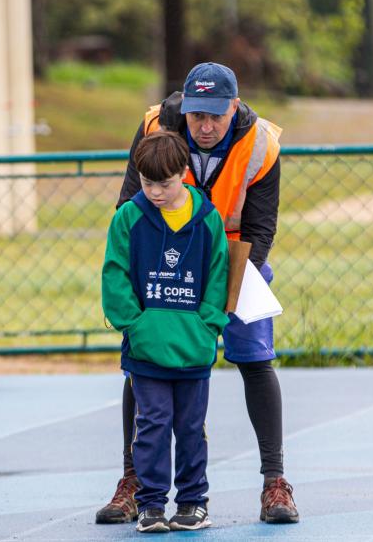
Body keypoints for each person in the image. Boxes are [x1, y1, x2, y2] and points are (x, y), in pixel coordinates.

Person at [96, 62, 300, 525]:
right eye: (196, 116)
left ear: (234, 106)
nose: (205, 127)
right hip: (162, 262)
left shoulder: (262, 144)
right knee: (144, 365)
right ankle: (133, 481)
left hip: (229, 261)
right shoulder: (154, 125)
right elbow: (129, 203)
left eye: (215, 116)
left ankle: (275, 481)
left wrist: (223, 297)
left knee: (254, 358)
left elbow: (262, 225)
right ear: (184, 109)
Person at [102, 130, 230, 533]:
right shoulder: (128, 217)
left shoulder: (207, 218)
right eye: (146, 182)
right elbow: (115, 273)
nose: (155, 192)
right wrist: (135, 324)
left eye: (165, 183)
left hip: (193, 348)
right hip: (146, 351)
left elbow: (218, 275)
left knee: (192, 427)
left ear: (183, 174)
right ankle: (151, 503)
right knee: (153, 424)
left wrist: (207, 324)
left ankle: (193, 502)